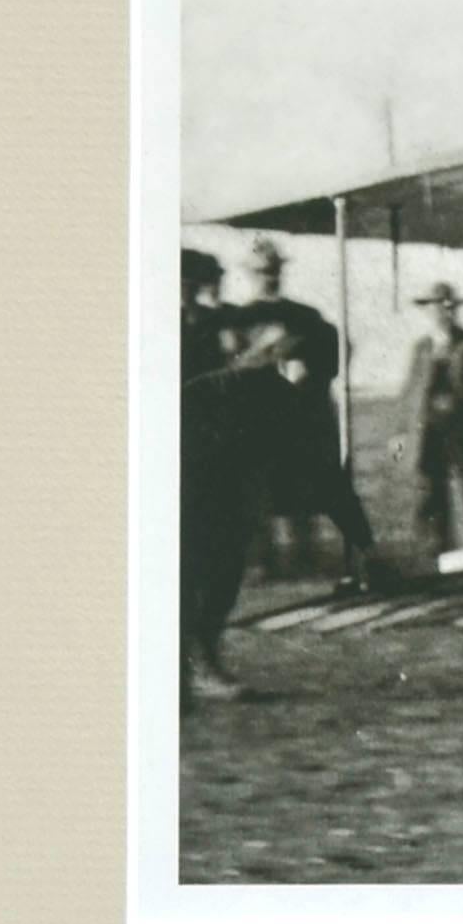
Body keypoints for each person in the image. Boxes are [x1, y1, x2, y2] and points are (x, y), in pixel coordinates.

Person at [224, 237, 380, 595]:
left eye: (274, 270)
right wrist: (265, 352)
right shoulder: (237, 319)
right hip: (254, 418)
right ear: (249, 274)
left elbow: (340, 351)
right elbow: (228, 368)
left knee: (303, 486)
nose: (269, 277)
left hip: (300, 418)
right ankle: (260, 563)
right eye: (262, 271)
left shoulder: (305, 316)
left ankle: (305, 558)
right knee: (254, 491)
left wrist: (311, 373)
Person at [179, 250, 275, 701]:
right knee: (186, 565)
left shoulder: (220, 325)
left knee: (224, 564)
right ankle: (190, 665)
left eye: (195, 283)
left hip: (223, 461)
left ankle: (204, 657)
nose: (191, 291)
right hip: (176, 462)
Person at [397, 281, 463, 559]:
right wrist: (400, 433)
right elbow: (410, 392)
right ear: (428, 311)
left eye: (446, 307)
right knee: (430, 494)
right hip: (428, 432)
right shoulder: (422, 348)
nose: (440, 313)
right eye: (434, 307)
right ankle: (435, 553)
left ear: (454, 310)